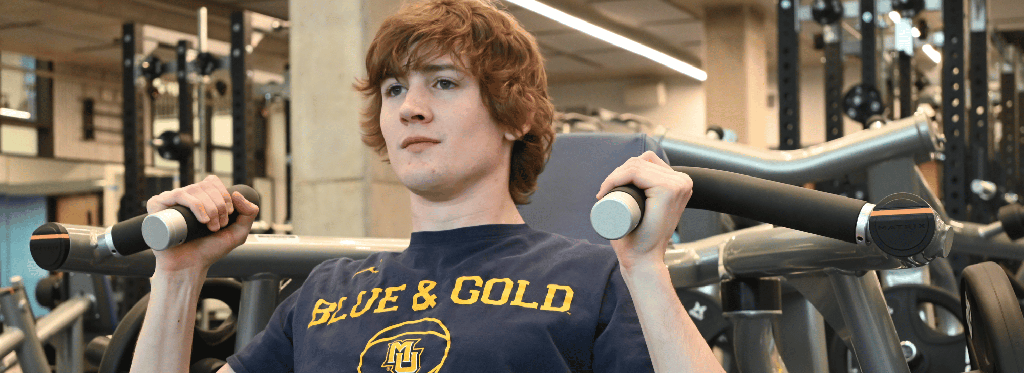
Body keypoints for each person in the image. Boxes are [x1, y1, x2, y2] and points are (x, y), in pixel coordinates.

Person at [129, 0, 723, 372]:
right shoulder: (323, 294)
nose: (410, 108)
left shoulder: (593, 281)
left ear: (514, 116)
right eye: (394, 89)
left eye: (442, 83)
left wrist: (646, 271)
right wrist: (177, 280)